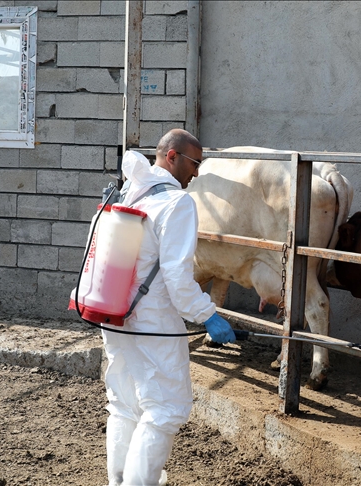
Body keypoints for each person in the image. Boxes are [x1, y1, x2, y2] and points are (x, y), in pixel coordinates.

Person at [103, 129, 236, 486]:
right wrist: (207, 314)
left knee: (124, 400)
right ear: (172, 156)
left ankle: (118, 480)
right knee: (165, 408)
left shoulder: (130, 190)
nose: (196, 174)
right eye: (194, 164)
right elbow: (178, 278)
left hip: (113, 309)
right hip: (153, 318)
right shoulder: (176, 203)